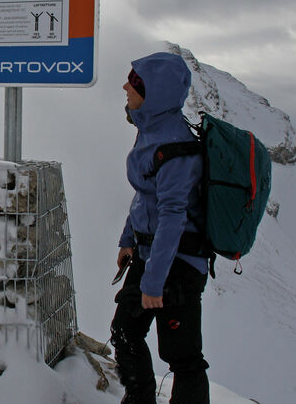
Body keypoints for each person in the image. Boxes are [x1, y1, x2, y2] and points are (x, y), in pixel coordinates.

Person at [111, 52, 210, 404]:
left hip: (179, 262)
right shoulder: (151, 131)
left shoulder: (176, 147)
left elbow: (172, 216)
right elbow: (146, 195)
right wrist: (128, 240)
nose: (125, 88)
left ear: (154, 93)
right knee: (125, 331)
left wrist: (154, 283)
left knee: (182, 356)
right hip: (149, 253)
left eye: (134, 84)